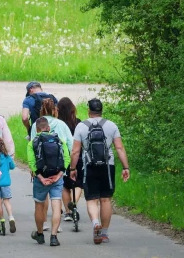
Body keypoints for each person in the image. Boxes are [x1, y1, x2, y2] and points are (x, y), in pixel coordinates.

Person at [70, 98, 130, 244]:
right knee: (105, 199)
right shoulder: (111, 125)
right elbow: (120, 148)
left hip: (88, 166)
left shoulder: (81, 126)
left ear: (89, 110)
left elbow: (75, 151)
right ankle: (104, 233)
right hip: (107, 166)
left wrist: (72, 168)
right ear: (101, 110)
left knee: (91, 199)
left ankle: (95, 222)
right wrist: (125, 167)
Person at [29, 97, 73, 231]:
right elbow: (70, 144)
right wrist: (65, 167)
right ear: (55, 110)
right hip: (58, 169)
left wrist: (34, 169)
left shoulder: (36, 124)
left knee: (41, 199)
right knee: (56, 199)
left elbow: (32, 145)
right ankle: (56, 229)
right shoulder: (61, 124)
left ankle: (44, 224)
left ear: (41, 110)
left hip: (41, 169)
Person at [28, 118, 69, 247]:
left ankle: (40, 234)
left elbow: (32, 163)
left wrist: (41, 178)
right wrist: (59, 175)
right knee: (56, 206)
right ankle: (54, 236)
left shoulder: (32, 143)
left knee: (39, 206)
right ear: (48, 128)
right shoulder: (59, 140)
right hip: (57, 178)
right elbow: (66, 159)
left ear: (36, 129)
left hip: (41, 180)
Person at [57, 98, 83, 222]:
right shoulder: (78, 123)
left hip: (62, 157)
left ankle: (68, 212)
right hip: (77, 156)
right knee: (79, 183)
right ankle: (73, 203)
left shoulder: (59, 124)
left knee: (64, 185)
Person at [0, 137, 16, 235]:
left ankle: (1, 220)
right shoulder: (7, 157)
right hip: (6, 183)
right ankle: (11, 217)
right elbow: (12, 166)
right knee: (6, 201)